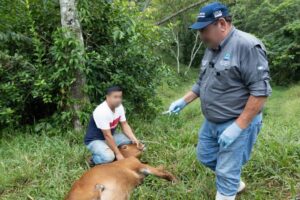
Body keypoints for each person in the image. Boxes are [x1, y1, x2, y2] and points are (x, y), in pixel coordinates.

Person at [168, 2, 272, 200]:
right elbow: (202, 81)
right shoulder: (212, 47)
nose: (201, 35)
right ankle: (233, 180)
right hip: (212, 121)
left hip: (236, 121)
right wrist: (183, 100)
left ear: (222, 24)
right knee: (205, 155)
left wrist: (238, 127)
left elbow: (260, 92)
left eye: (204, 30)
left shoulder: (247, 46)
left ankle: (228, 185)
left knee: (225, 172)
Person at [84, 86, 143, 166]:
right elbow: (107, 135)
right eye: (115, 97)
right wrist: (118, 154)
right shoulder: (101, 111)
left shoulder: (120, 107)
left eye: (120, 97)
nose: (118, 99)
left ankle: (113, 150)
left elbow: (124, 125)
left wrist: (134, 139)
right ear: (107, 97)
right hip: (95, 140)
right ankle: (93, 159)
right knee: (109, 157)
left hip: (109, 137)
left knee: (130, 140)